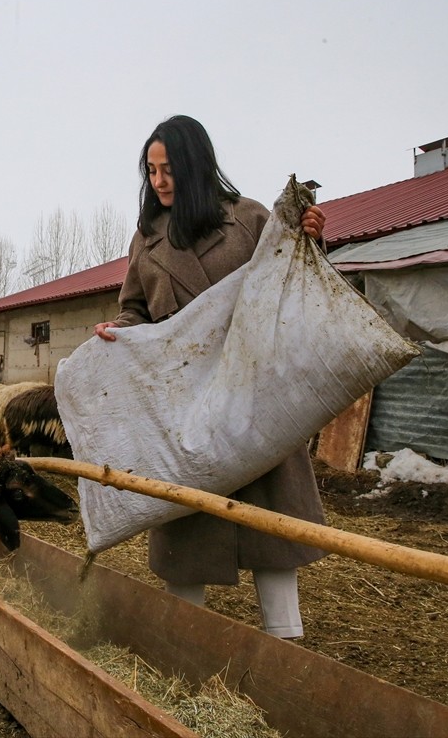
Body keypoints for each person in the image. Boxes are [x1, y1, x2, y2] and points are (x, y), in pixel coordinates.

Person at [92, 115, 328, 639]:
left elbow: (292, 281)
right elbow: (135, 310)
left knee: (273, 531)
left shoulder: (248, 219)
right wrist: (119, 330)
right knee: (187, 529)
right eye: (151, 171)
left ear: (195, 164)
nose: (159, 181)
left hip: (257, 399)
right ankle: (184, 648)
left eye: (168, 168)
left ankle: (285, 644)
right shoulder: (147, 240)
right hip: (187, 410)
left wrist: (312, 241)